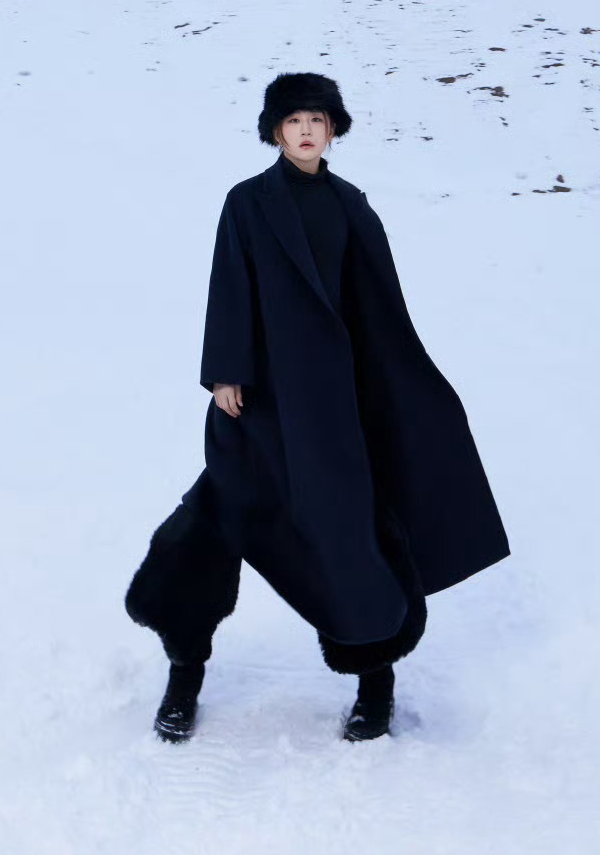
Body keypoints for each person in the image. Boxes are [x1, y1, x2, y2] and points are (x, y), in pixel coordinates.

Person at [125, 72, 510, 743]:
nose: (306, 131)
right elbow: (230, 283)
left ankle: (375, 684)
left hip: (332, 412)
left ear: (333, 130)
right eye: (294, 120)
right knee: (212, 524)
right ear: (275, 131)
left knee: (350, 539)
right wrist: (225, 371)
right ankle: (185, 671)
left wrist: (395, 397)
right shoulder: (248, 202)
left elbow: (379, 310)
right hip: (258, 404)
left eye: (317, 120)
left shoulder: (351, 205)